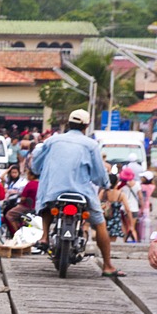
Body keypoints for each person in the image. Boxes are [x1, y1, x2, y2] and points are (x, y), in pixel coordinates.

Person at [29, 108, 121, 276]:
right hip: (82, 193)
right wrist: (106, 184)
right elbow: (99, 174)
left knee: (48, 207)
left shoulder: (52, 141)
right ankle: (108, 265)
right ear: (85, 126)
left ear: (68, 124)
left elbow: (35, 165)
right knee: (100, 224)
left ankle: (44, 237)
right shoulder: (91, 145)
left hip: (54, 191)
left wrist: (37, 169)